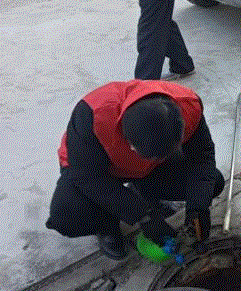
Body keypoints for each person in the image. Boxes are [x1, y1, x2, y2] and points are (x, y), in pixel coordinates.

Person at [46, 80, 224, 260]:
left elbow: (201, 158)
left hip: (150, 170)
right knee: (67, 217)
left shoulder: (189, 106)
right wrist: (141, 215)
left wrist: (198, 208)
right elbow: (87, 177)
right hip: (100, 171)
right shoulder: (92, 116)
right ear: (126, 138)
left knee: (211, 184)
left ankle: (144, 191)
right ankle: (107, 223)